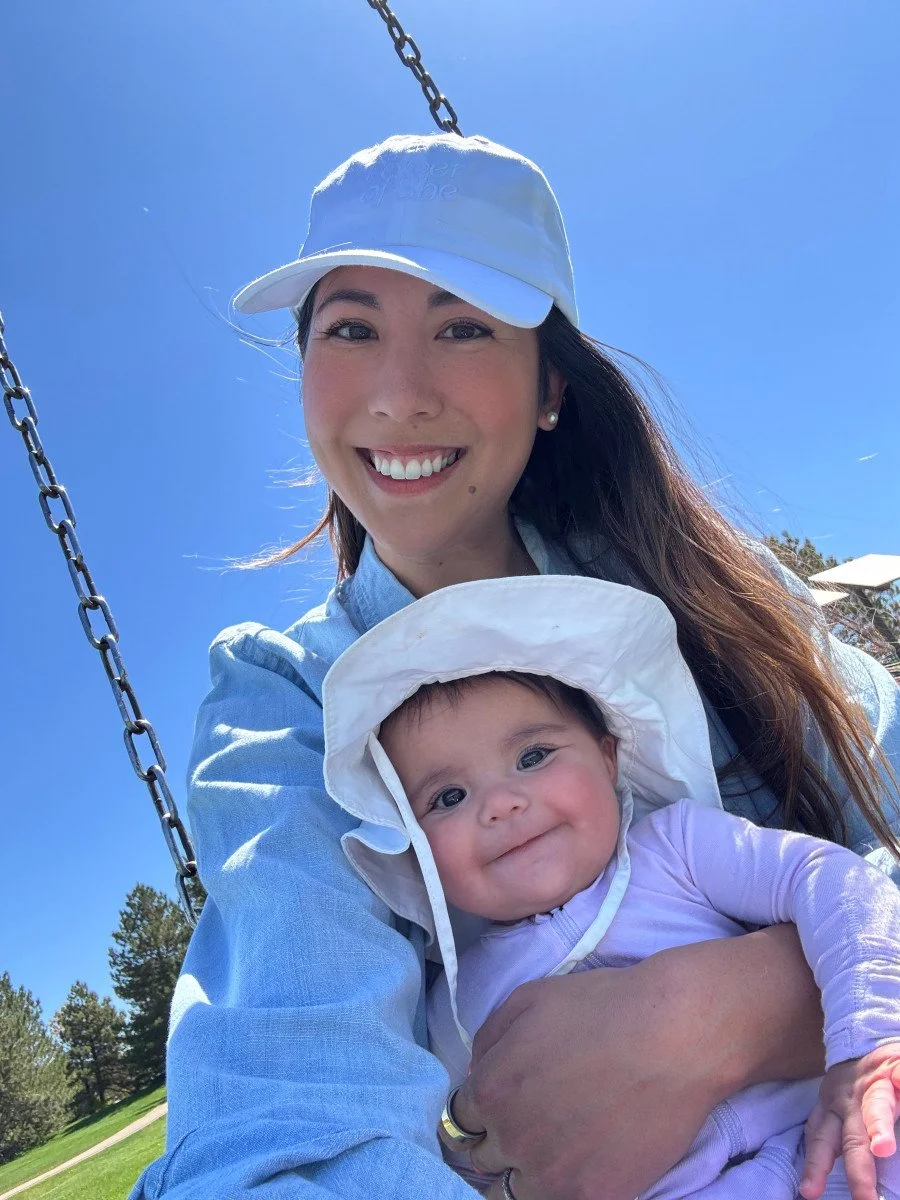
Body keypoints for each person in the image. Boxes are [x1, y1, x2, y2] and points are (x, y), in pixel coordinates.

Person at [130, 132, 900, 1200]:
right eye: (350, 328)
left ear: (551, 387)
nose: (398, 395)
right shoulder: (286, 700)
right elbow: (293, 1111)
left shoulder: (722, 594)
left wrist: (728, 1012)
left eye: (463, 326)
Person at [319, 572, 900, 1200]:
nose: (503, 803)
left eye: (533, 756)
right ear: (415, 852)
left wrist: (865, 1044)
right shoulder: (450, 1007)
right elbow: (476, 1151)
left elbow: (830, 879)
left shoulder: (677, 849)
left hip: (832, 1148)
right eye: (449, 797)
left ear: (608, 757)